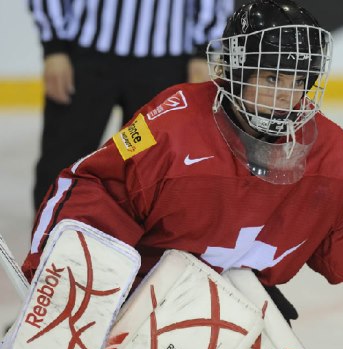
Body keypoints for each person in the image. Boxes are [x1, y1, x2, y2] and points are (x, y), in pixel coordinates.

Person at [20, 0, 343, 344]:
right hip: (135, 306)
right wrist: (68, 282)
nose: (284, 95)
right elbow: (97, 185)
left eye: (297, 81)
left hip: (236, 308)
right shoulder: (171, 126)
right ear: (234, 70)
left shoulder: (332, 153)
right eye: (271, 77)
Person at [28, 0, 235, 211]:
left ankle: (138, 243)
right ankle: (50, 238)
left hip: (165, 62)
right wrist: (54, 46)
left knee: (151, 170)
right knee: (62, 160)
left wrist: (202, 51)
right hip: (84, 54)